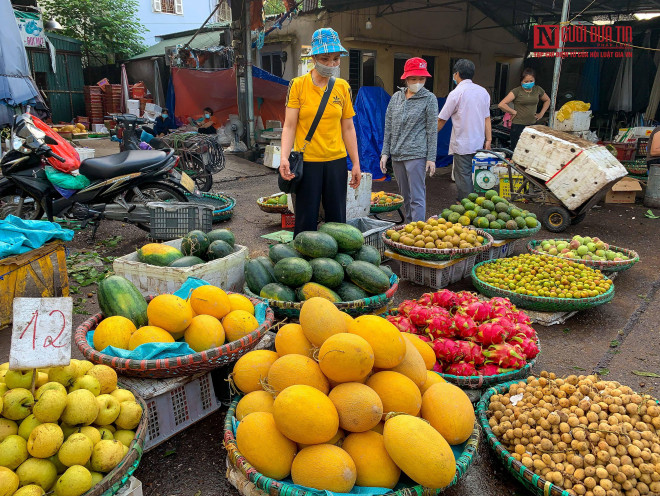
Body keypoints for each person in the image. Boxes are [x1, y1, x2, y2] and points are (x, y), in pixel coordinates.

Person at [279, 28, 361, 235]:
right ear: (314, 57)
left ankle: (337, 264)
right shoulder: (297, 85)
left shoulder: (343, 87)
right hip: (308, 163)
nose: (331, 64)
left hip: (336, 161)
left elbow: (348, 127)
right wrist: (283, 157)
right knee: (306, 219)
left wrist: (356, 163)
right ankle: (303, 262)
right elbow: (289, 125)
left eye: (336, 59)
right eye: (325, 58)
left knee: (337, 221)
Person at [380, 57, 438, 223]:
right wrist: (385, 153)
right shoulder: (396, 98)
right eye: (413, 79)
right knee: (405, 196)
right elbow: (388, 127)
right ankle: (408, 226)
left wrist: (431, 158)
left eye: (422, 79)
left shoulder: (429, 99)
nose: (418, 82)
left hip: (416, 155)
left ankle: (417, 231)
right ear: (405, 78)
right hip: (397, 155)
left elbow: (431, 130)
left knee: (417, 197)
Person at [437, 59, 491, 201]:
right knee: (475, 175)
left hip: (463, 143)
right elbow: (487, 118)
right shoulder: (483, 92)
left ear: (457, 74)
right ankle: (475, 203)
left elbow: (441, 120)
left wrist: (427, 137)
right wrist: (489, 139)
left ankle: (467, 205)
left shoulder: (456, 93)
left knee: (463, 176)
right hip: (479, 142)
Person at [498, 68, 550, 150]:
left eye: (531, 81)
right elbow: (501, 104)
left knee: (531, 150)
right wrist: (513, 111)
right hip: (518, 126)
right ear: (521, 81)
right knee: (516, 150)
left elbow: (547, 100)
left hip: (532, 125)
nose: (529, 83)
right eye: (526, 81)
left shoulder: (537, 89)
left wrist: (541, 114)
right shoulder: (517, 91)